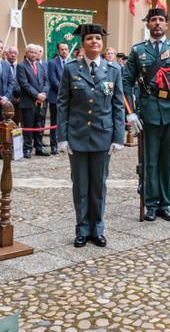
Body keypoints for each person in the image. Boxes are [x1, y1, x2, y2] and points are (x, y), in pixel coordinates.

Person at [123, 7, 170, 221]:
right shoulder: (138, 51)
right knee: (150, 160)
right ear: (147, 24)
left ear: (166, 25)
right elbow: (126, 83)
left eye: (161, 20)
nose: (157, 23)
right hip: (149, 112)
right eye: (153, 20)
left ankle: (165, 203)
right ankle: (151, 204)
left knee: (167, 160)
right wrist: (131, 113)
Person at [56, 24, 124, 248]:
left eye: (98, 38)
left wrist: (118, 137)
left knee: (99, 185)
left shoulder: (113, 70)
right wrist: (62, 137)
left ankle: (98, 229)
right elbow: (63, 104)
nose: (94, 42)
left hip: (103, 136)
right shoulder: (71, 69)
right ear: (83, 44)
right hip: (77, 135)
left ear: (102, 43)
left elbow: (118, 106)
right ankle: (82, 229)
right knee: (80, 185)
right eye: (90, 39)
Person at [18, 43, 48, 158]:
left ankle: (39, 147)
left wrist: (44, 94)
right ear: (26, 53)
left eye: (36, 52)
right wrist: (37, 95)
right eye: (32, 52)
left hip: (41, 102)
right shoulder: (21, 66)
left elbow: (46, 81)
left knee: (39, 125)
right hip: (28, 102)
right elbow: (24, 84)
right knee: (28, 127)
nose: (34, 54)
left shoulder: (40, 66)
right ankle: (27, 149)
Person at [48, 42, 71, 155]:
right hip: (56, 97)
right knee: (55, 122)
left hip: (70, 98)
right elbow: (53, 80)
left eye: (66, 49)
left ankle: (66, 143)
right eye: (62, 49)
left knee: (68, 122)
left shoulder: (71, 63)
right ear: (58, 51)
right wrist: (64, 91)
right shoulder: (52, 63)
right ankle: (53, 145)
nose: (64, 51)